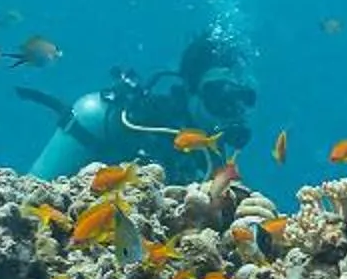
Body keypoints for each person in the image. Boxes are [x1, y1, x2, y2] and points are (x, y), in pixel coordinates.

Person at [19, 30, 259, 176]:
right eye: (219, 95)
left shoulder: (213, 160)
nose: (231, 110)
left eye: (240, 98)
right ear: (190, 90)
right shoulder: (137, 125)